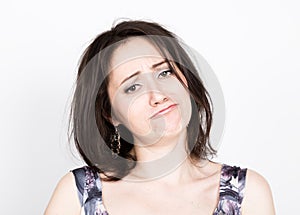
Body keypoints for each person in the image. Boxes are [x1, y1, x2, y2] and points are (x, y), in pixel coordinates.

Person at [44, 20, 275, 215]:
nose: (158, 95)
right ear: (110, 114)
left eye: (165, 72)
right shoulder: (77, 196)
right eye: (132, 87)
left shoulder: (248, 194)